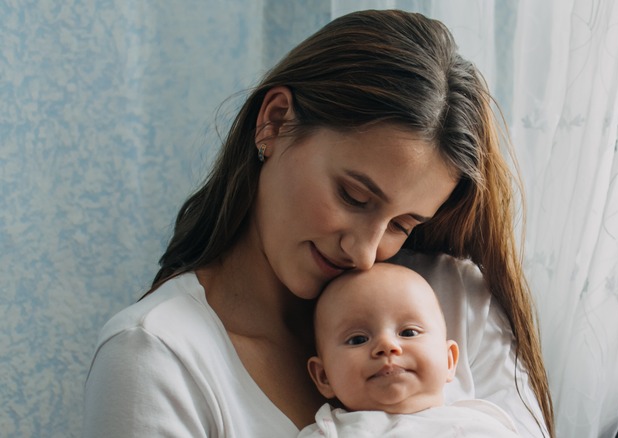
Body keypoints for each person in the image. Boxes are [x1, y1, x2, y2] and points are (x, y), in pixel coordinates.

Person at [83, 8, 554, 438]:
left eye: (402, 224)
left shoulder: (455, 301)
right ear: (275, 122)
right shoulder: (156, 358)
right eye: (354, 196)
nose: (365, 252)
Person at [299, 262, 522, 437]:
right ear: (324, 376)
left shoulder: (482, 424)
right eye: (357, 339)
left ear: (449, 360)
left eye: (408, 333)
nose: (386, 345)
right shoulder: (331, 432)